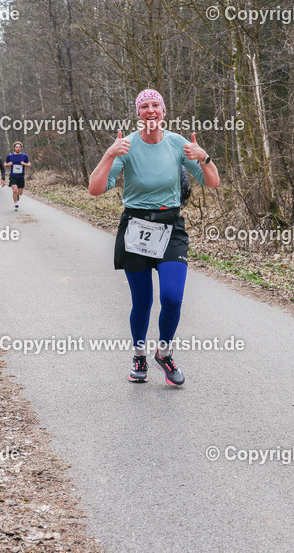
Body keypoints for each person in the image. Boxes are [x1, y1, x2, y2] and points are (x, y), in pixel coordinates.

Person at [88, 89, 219, 385]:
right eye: (144, 106)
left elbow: (212, 182)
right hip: (136, 227)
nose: (150, 111)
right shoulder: (127, 145)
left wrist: (204, 157)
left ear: (163, 111)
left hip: (171, 226)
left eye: (155, 105)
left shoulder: (176, 143)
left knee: (172, 297)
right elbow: (95, 189)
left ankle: (164, 353)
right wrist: (110, 153)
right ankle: (138, 355)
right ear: (138, 113)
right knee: (143, 301)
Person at [5, 141, 31, 211]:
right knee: (15, 190)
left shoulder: (24, 156)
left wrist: (24, 164)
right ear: (14, 148)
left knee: (20, 192)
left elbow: (29, 165)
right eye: (16, 147)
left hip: (21, 176)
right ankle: (16, 203)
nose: (18, 148)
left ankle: (17, 196)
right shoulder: (10, 156)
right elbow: (4, 165)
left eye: (19, 147)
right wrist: (8, 164)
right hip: (13, 176)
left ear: (21, 148)